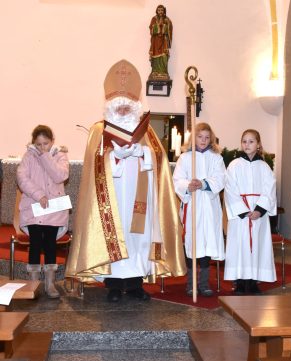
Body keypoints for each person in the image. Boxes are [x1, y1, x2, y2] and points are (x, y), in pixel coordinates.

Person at [65, 59, 185, 303]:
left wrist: (144, 153)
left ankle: (135, 285)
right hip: (113, 198)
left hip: (141, 199)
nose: (122, 109)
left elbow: (159, 160)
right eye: (118, 105)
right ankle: (114, 286)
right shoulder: (99, 130)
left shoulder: (147, 131)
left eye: (127, 105)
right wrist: (114, 158)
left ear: (135, 105)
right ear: (109, 105)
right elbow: (94, 164)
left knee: (138, 240)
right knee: (116, 237)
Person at [173, 123, 225, 297]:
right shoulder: (185, 158)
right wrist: (189, 185)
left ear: (211, 139)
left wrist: (203, 183)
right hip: (192, 205)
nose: (203, 140)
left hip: (209, 207)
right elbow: (177, 179)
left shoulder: (216, 158)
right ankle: (190, 284)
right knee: (192, 244)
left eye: (206, 137)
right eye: (199, 136)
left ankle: (203, 284)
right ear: (193, 138)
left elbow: (220, 178)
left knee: (207, 244)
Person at [17, 125, 69, 299]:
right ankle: (33, 283)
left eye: (45, 144)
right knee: (36, 244)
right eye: (38, 145)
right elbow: (22, 178)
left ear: (52, 141)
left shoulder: (60, 155)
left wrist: (46, 156)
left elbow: (59, 176)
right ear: (33, 143)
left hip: (53, 209)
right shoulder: (28, 156)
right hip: (34, 207)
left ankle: (50, 283)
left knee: (50, 245)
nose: (41, 148)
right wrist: (38, 195)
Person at [224, 129, 277, 295]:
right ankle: (239, 281)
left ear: (258, 144)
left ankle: (254, 281)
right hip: (241, 214)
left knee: (257, 246)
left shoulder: (264, 167)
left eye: (251, 141)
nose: (247, 144)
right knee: (240, 246)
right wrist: (243, 211)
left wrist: (259, 210)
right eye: (244, 141)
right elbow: (230, 189)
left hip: (258, 214)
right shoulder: (234, 165)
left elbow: (270, 189)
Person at [148, 4, 173, 80]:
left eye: (162, 10)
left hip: (164, 41)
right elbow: (151, 28)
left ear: (164, 11)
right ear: (157, 11)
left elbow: (170, 28)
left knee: (164, 56)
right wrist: (158, 25)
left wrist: (165, 26)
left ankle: (163, 72)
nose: (160, 12)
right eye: (159, 10)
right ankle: (155, 71)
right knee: (155, 56)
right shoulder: (154, 19)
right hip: (155, 41)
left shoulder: (167, 19)